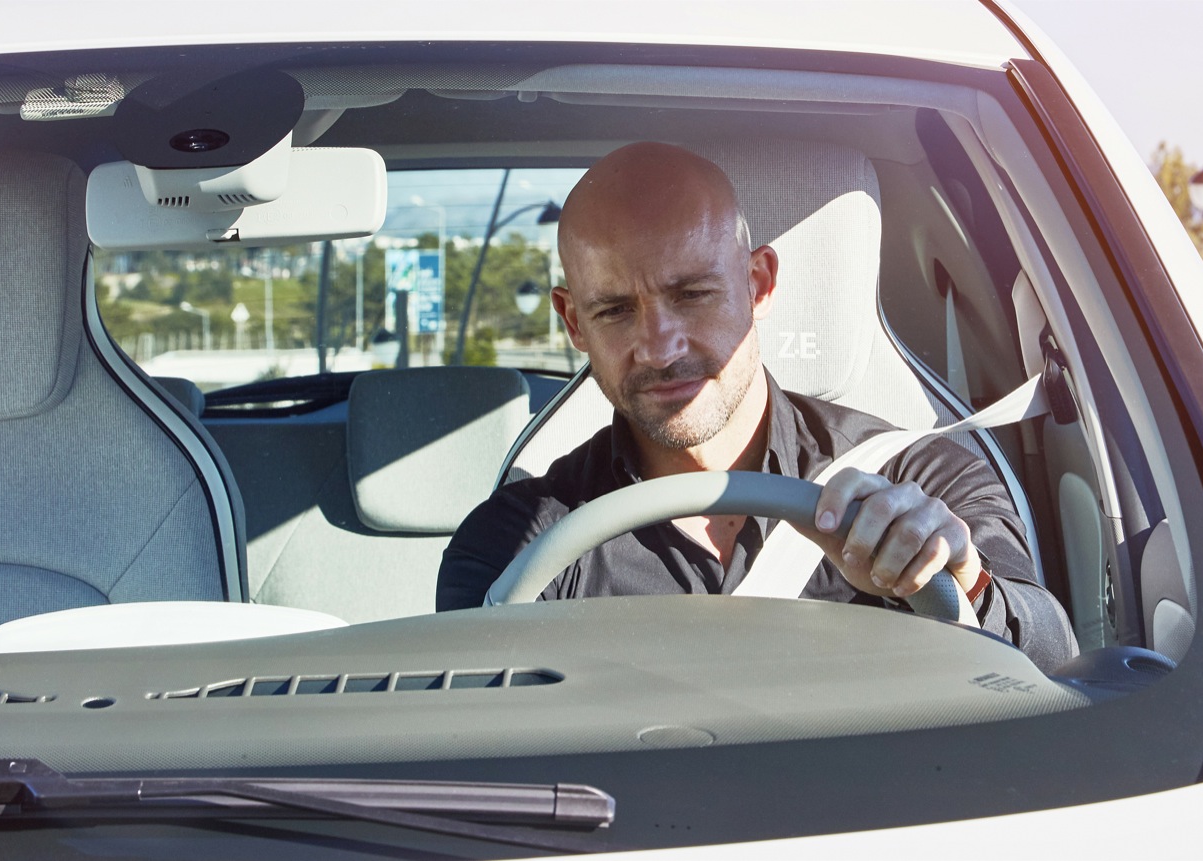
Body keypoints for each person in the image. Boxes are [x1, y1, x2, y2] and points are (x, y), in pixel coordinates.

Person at [437, 142, 1077, 673]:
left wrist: (959, 582)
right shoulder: (523, 544)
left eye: (692, 295)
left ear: (759, 284)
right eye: (615, 310)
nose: (660, 348)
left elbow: (1051, 661)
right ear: (574, 322)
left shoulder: (918, 479)